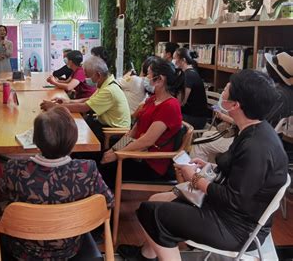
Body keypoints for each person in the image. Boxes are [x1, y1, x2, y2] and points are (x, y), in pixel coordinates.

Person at [118, 70, 288, 261]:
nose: (223, 91)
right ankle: (145, 254)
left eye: (227, 89)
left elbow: (234, 198)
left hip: (236, 227)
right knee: (157, 198)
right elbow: (242, 177)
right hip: (231, 213)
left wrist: (195, 178)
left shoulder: (256, 146)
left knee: (152, 212)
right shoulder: (255, 130)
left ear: (235, 105)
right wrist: (209, 167)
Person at [0, 106, 114, 260]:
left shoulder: (14, 169)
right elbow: (108, 202)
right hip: (70, 248)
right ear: (73, 140)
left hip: (23, 250)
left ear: (35, 140)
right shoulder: (86, 169)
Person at [191, 51, 293, 162]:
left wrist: (227, 116)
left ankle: (197, 174)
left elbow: (253, 123)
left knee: (199, 143)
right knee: (207, 135)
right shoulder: (282, 94)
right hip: (260, 138)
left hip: (249, 140)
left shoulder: (276, 96)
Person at [99, 57, 185, 188]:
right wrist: (113, 150)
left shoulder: (170, 106)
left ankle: (108, 204)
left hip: (151, 163)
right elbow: (133, 132)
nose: (145, 77)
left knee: (105, 167)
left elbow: (147, 141)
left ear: (160, 80)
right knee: (99, 157)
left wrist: (118, 155)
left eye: (149, 74)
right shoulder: (152, 100)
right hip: (137, 154)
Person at [40, 56, 131, 143]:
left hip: (113, 133)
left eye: (88, 76)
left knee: (72, 133)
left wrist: (56, 107)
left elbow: (84, 107)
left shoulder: (109, 90)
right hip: (103, 124)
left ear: (98, 75)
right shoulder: (107, 84)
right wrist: (68, 101)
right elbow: (89, 99)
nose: (86, 79)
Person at [174, 47, 210, 129]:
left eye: (175, 58)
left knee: (167, 117)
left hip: (196, 119)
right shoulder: (186, 72)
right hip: (190, 114)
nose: (174, 61)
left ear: (183, 60)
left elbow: (182, 102)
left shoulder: (189, 75)